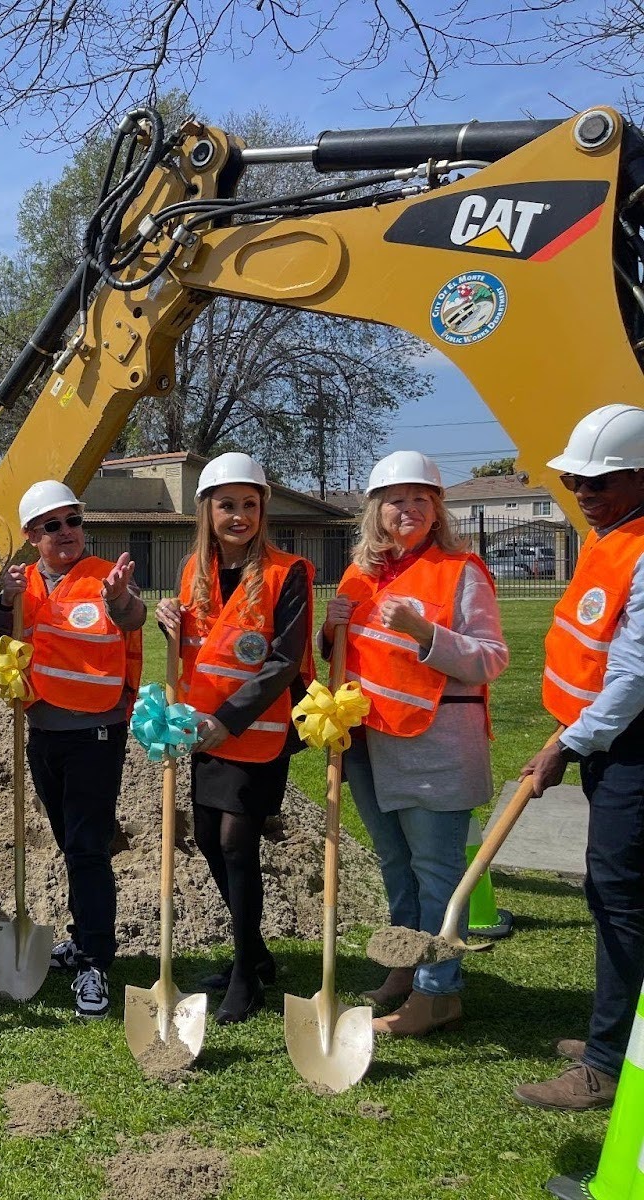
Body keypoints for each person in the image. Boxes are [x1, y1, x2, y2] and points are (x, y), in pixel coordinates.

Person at [322, 452, 507, 1036]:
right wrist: (330, 630)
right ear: (376, 510)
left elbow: (491, 658)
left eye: (421, 499)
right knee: (395, 862)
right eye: (397, 499)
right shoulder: (359, 577)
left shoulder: (460, 571)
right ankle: (405, 969)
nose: (410, 509)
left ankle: (437, 991)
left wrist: (427, 633)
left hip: (434, 743)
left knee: (434, 869)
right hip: (368, 742)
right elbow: (344, 658)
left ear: (437, 509)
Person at [516, 404, 644, 1111]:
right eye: (575, 483)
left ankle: (604, 1063)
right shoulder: (613, 538)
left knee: (619, 895)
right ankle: (621, 1031)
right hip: (609, 744)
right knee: (614, 894)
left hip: (631, 748)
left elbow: (634, 677)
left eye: (602, 482)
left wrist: (569, 742)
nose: (584, 494)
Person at [155, 452, 313, 1024]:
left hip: (258, 731)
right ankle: (257, 952)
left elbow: (284, 659)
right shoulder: (192, 570)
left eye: (250, 504)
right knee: (202, 834)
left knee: (234, 842)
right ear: (207, 510)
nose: (239, 515)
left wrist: (229, 718)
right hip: (204, 732)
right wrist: (167, 623)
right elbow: (198, 648)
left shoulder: (287, 573)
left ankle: (246, 976)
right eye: (227, 505)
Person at [0, 480, 144, 1018]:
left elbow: (131, 619)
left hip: (96, 733)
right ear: (32, 536)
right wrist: (4, 600)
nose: (66, 533)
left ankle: (95, 961)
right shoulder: (24, 583)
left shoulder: (107, 576)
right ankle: (84, 938)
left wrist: (121, 597)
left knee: (86, 846)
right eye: (52, 525)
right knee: (70, 841)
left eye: (73, 521)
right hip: (43, 732)